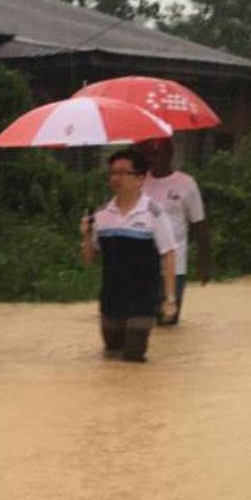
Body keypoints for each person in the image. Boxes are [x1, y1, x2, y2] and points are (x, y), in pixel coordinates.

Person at [81, 148, 178, 363]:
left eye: (123, 173)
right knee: (112, 356)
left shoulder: (154, 212)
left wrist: (170, 299)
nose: (116, 178)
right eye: (112, 173)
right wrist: (86, 235)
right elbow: (90, 260)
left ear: (140, 178)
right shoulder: (101, 214)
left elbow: (168, 254)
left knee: (133, 356)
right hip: (111, 297)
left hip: (143, 298)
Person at [134, 137, 211, 326]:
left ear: (170, 153)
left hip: (175, 267)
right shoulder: (140, 183)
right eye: (150, 154)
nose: (153, 159)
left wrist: (204, 262)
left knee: (167, 323)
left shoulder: (186, 184)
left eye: (157, 153)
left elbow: (199, 224)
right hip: (144, 265)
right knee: (142, 323)